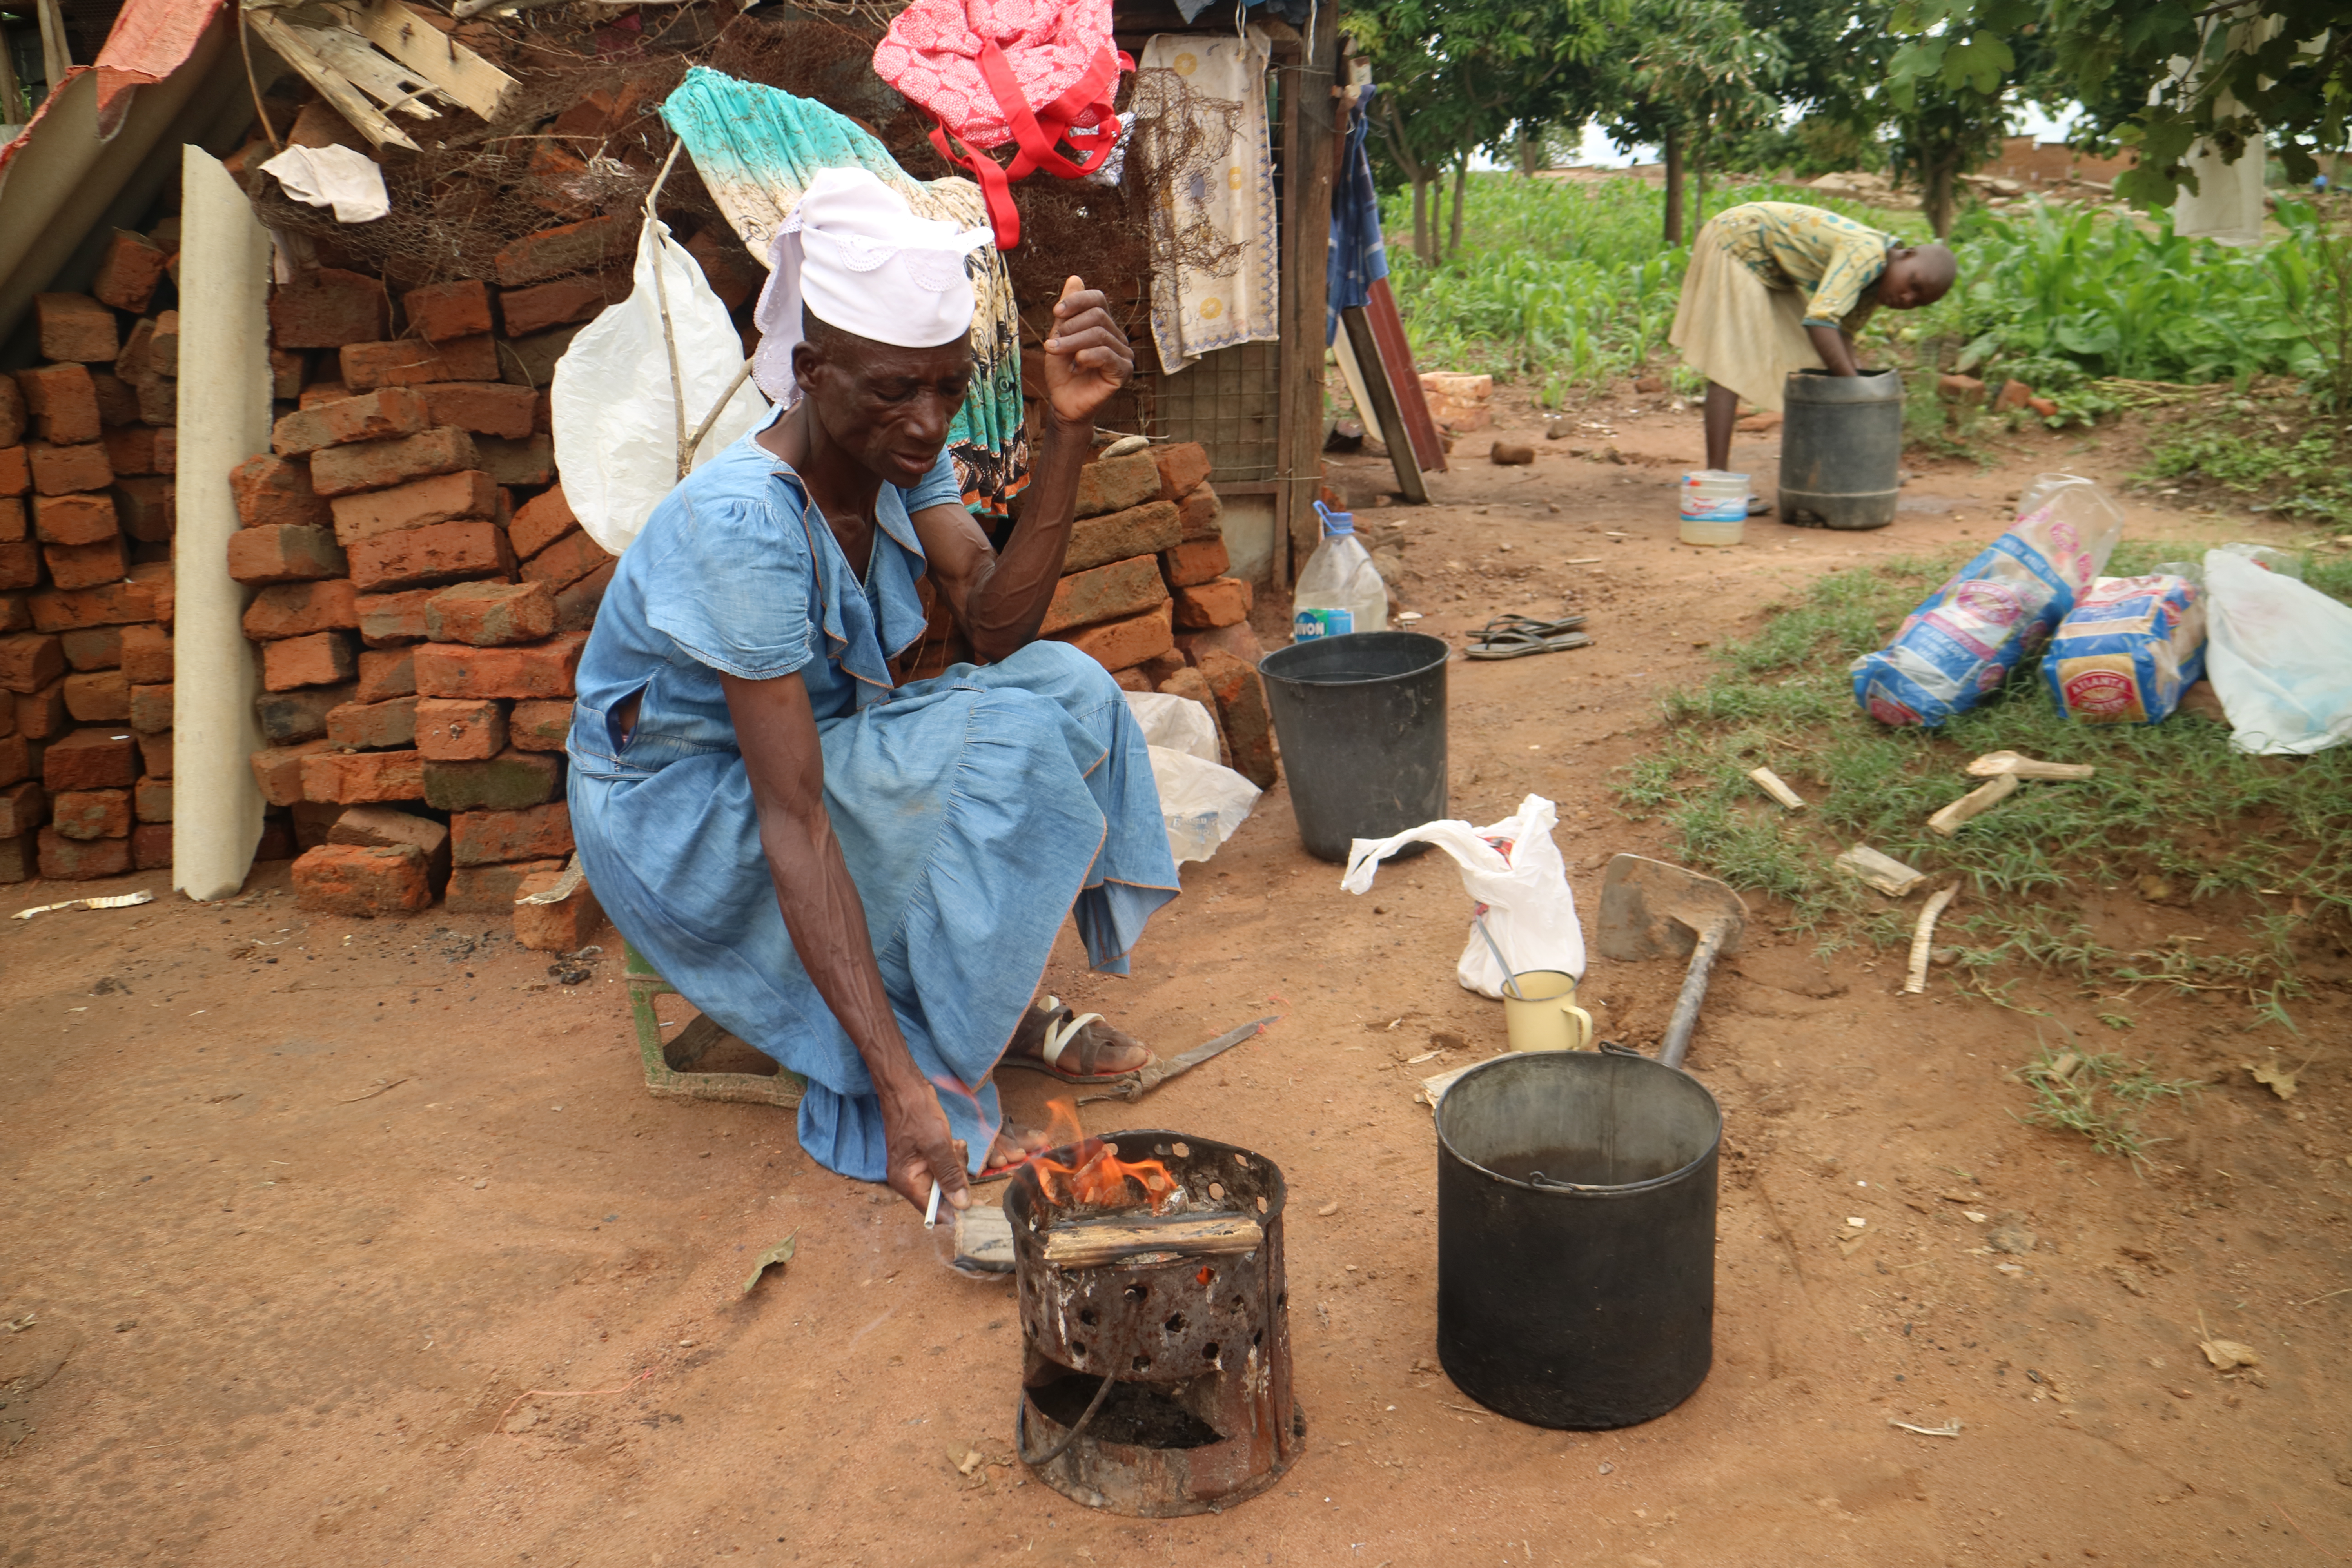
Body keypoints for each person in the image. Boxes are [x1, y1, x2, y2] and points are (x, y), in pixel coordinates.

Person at [566, 169, 1179, 1221]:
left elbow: (994, 623)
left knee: (1066, 686)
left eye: (948, 387)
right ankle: (925, 1060)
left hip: (810, 758)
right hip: (684, 815)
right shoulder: (746, 524)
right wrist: (900, 1095)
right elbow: (792, 817)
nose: (929, 420)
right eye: (898, 389)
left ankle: (980, 1002)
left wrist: (1066, 431)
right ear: (811, 371)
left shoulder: (899, 448)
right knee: (1014, 732)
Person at [1670, 200, 1956, 493]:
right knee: (1730, 362)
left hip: (1769, 266)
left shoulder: (1877, 285)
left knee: (1819, 365)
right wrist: (1855, 387)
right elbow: (1821, 322)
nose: (1907, 299)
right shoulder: (1867, 254)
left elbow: (1842, 337)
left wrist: (1859, 393)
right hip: (1737, 239)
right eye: (1913, 284)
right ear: (1906, 255)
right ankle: (1718, 484)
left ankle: (1863, 468)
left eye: (1918, 302)